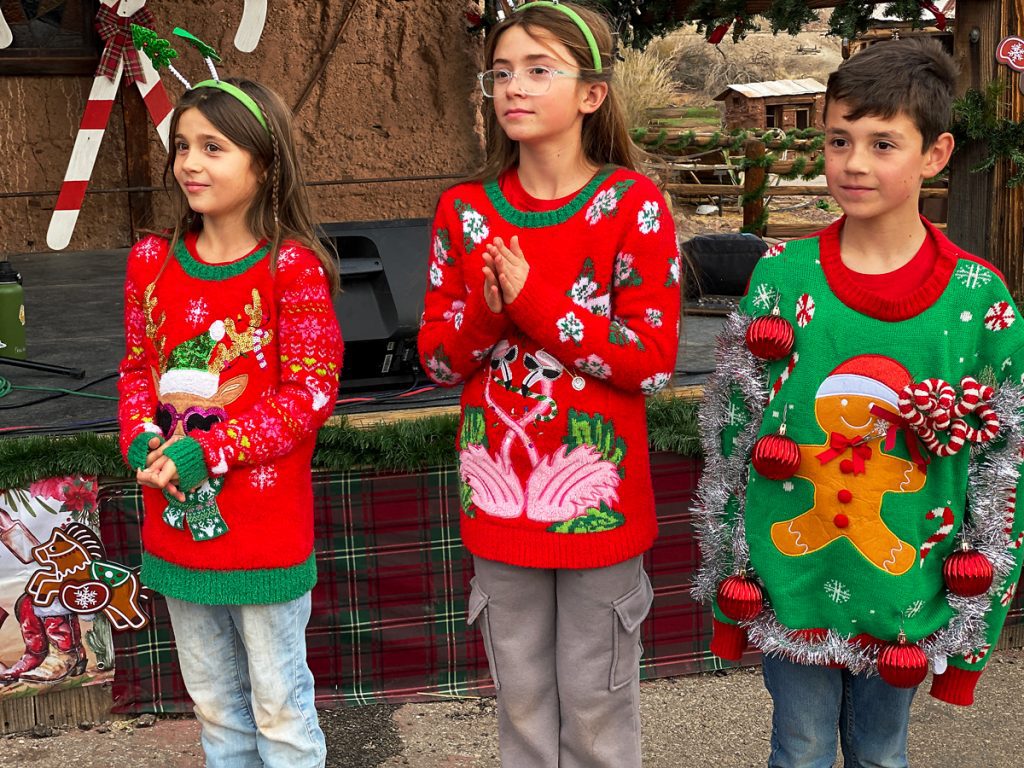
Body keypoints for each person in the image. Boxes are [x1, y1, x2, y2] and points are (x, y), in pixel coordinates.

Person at [696, 38, 1024, 768]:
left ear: (935, 155)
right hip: (792, 582)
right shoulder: (783, 281)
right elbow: (732, 437)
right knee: (800, 745)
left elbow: (1006, 472)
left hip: (909, 593)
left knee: (881, 753)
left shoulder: (979, 303)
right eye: (839, 139)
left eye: (883, 143)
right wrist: (731, 586)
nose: (854, 162)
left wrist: (976, 626)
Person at [418, 3, 682, 766]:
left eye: (539, 70)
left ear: (591, 93)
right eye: (500, 72)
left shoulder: (633, 205)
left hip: (597, 509)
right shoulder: (464, 211)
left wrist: (531, 304)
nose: (513, 88)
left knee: (598, 711)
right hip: (499, 501)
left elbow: (652, 361)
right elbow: (437, 360)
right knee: (523, 704)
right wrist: (486, 316)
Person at [117, 76, 342, 768]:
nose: (190, 162)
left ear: (264, 162)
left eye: (212, 147)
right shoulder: (152, 262)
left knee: (280, 708)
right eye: (183, 146)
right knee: (214, 707)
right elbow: (135, 371)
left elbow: (308, 394)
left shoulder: (291, 268)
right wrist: (144, 442)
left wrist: (206, 452)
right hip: (178, 529)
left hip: (265, 534)